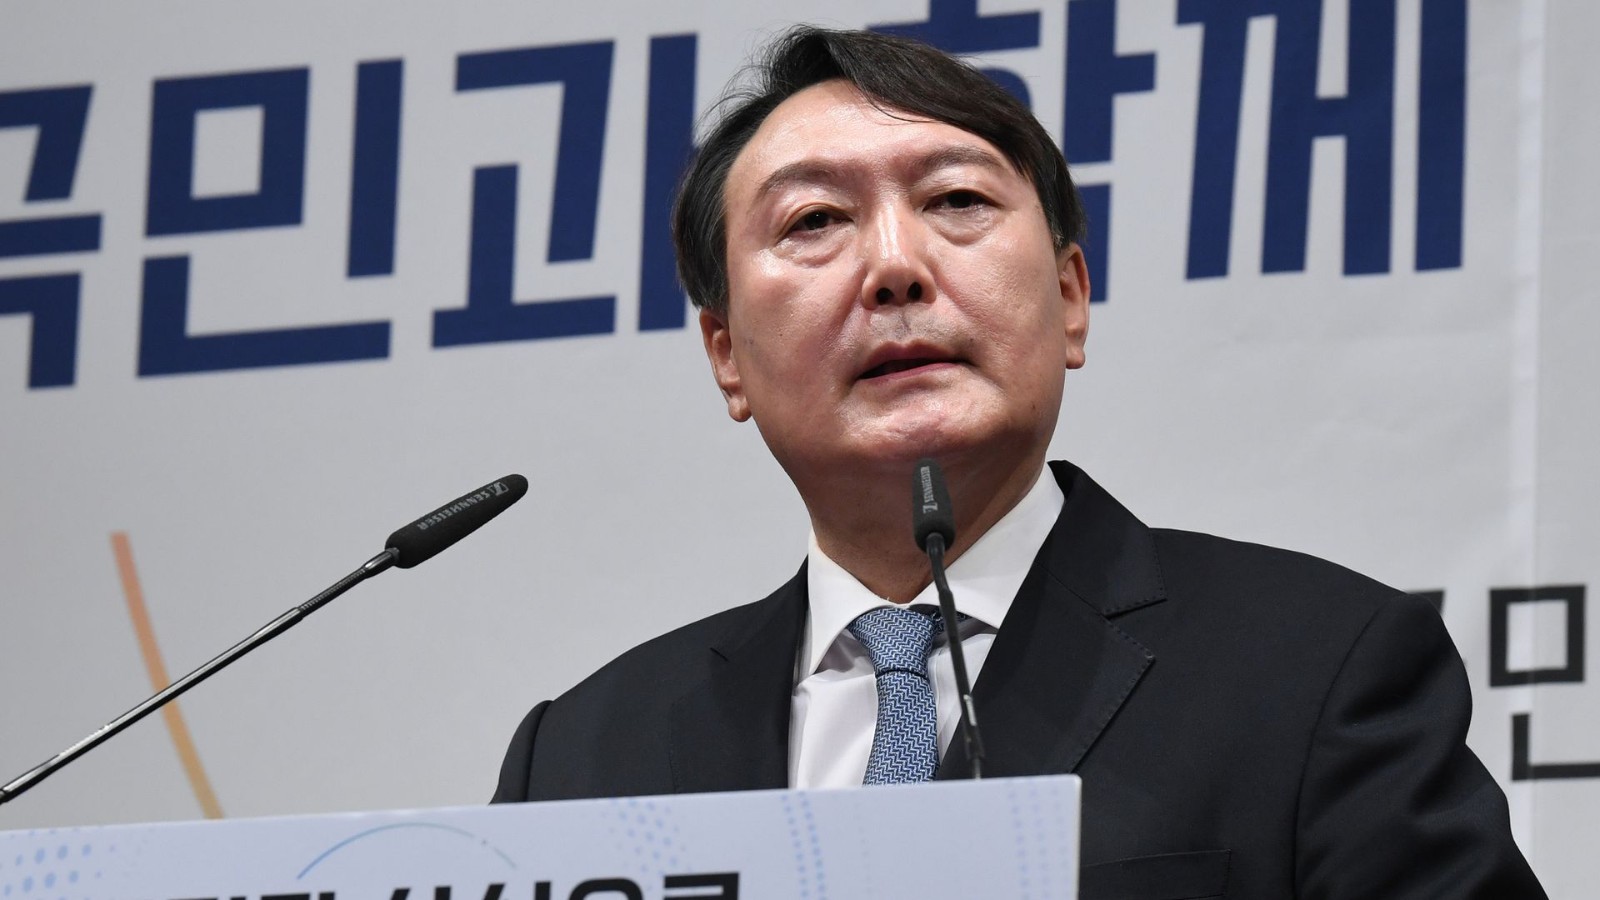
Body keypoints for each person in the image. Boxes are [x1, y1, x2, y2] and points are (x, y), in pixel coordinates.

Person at [492, 25, 1547, 899]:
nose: (895, 267)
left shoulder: (1314, 668)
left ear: (1070, 296)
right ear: (725, 354)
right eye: (814, 220)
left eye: (956, 201)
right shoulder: (582, 759)